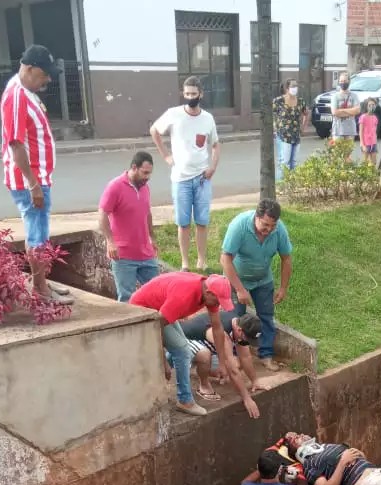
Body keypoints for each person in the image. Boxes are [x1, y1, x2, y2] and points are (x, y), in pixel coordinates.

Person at [130, 272, 259, 419]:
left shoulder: (207, 291)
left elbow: (217, 327)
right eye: (217, 301)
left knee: (182, 347)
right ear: (209, 292)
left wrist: (222, 364)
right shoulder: (183, 296)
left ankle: (168, 369)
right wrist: (162, 362)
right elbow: (157, 327)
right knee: (183, 351)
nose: (218, 305)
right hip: (143, 311)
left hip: (161, 310)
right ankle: (184, 400)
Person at [0, 45, 70, 301]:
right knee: (37, 236)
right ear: (29, 69)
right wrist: (33, 184)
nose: (48, 80)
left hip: (38, 178)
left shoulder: (25, 91)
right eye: (44, 74)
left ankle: (43, 281)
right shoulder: (16, 97)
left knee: (40, 233)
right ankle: (40, 290)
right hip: (29, 181)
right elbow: (15, 143)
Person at [150, 76, 219, 274]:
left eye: (193, 94)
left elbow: (215, 144)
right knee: (183, 222)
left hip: (202, 179)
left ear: (201, 94)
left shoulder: (207, 118)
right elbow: (154, 130)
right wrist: (166, 155)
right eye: (187, 94)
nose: (190, 97)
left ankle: (202, 261)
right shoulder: (173, 114)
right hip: (180, 179)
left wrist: (212, 166)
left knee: (202, 222)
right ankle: (185, 263)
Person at [220, 199, 293, 373]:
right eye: (265, 225)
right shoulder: (239, 225)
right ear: (256, 217)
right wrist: (239, 289)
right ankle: (235, 356)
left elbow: (286, 258)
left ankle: (266, 354)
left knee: (267, 317)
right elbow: (225, 259)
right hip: (237, 279)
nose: (269, 230)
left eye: (272, 226)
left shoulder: (279, 230)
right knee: (235, 319)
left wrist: (283, 288)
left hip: (263, 280)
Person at [98, 151, 159, 302]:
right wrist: (110, 242)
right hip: (123, 254)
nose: (147, 177)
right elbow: (102, 213)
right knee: (126, 298)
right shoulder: (115, 186)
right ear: (134, 167)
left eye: (150, 173)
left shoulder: (145, 188)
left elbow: (147, 213)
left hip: (145, 252)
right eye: (145, 173)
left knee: (158, 292)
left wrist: (152, 237)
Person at [181, 311, 262, 401]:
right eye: (248, 339)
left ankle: (197, 369)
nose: (248, 343)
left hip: (205, 345)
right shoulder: (223, 333)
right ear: (239, 330)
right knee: (205, 355)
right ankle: (204, 386)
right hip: (183, 341)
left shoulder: (239, 324)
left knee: (236, 363)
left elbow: (245, 357)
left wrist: (255, 381)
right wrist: (247, 398)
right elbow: (232, 370)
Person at [273, 79, 308, 178]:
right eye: (293, 86)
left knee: (293, 162)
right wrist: (274, 126)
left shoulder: (300, 101)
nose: (295, 88)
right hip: (283, 135)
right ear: (287, 88)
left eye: (296, 86)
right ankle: (281, 186)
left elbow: (306, 113)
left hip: (296, 135)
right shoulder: (278, 101)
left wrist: (303, 127)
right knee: (284, 162)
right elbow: (271, 114)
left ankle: (291, 185)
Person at [330, 72, 360, 142]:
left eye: (345, 81)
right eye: (341, 81)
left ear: (349, 82)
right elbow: (334, 112)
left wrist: (342, 111)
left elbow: (357, 110)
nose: (343, 83)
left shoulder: (354, 96)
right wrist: (350, 111)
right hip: (338, 130)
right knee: (337, 152)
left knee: (348, 152)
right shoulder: (335, 96)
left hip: (350, 130)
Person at [359, 98, 379, 166]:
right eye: (369, 105)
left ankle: (373, 176)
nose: (372, 106)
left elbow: (374, 131)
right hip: (366, 142)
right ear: (366, 106)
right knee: (365, 162)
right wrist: (362, 144)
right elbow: (361, 131)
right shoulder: (363, 117)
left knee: (374, 162)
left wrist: (375, 141)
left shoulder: (375, 118)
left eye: (373, 105)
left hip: (373, 142)